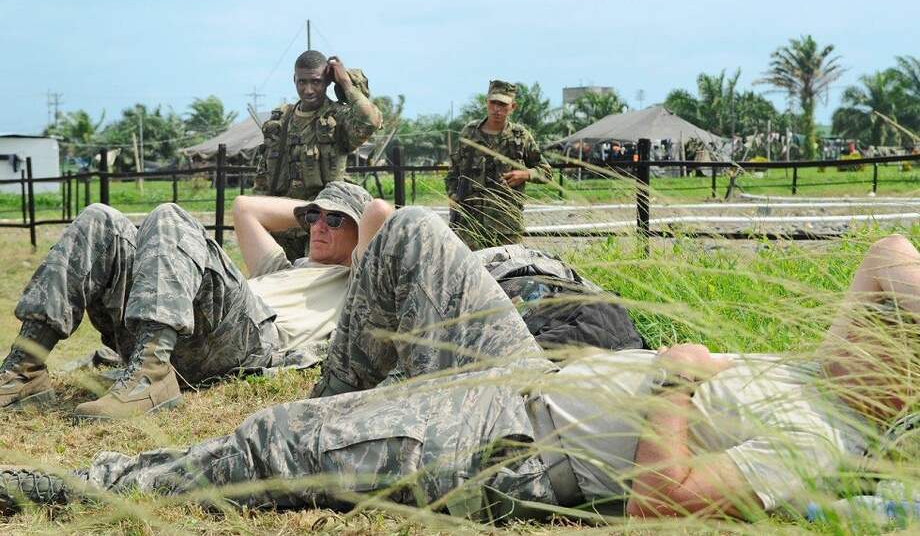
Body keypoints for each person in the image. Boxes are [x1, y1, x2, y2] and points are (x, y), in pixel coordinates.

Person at [0, 226, 916, 523]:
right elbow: (890, 251)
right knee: (412, 232)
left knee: (272, 438)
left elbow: (662, 499)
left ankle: (74, 487)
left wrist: (674, 381)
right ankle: (340, 416)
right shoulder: (818, 365)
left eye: (880, 331)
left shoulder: (818, 437)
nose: (857, 323)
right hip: (526, 370)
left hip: (524, 438)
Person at [0, 181, 377, 421]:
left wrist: (350, 206)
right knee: (101, 218)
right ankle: (26, 368)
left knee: (169, 216)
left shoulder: (357, 279)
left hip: (252, 340)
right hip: (183, 330)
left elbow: (380, 215)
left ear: (361, 234)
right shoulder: (279, 266)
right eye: (313, 217)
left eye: (335, 221)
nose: (318, 226)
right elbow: (245, 206)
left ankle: (152, 376)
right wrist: (319, 206)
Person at [252, 50, 382, 260]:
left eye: (316, 82)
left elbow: (371, 120)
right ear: (294, 80)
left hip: (322, 224)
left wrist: (346, 84)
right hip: (283, 225)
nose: (308, 89)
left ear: (328, 81)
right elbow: (263, 173)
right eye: (302, 82)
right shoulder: (281, 119)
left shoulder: (337, 117)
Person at [446, 80, 552, 250]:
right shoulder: (469, 133)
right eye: (493, 102)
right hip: (469, 224)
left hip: (506, 227)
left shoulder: (520, 136)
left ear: (513, 107)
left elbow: (546, 172)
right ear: (486, 102)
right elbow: (453, 172)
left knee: (507, 272)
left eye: (503, 104)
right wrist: (452, 196)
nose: (497, 109)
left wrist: (525, 174)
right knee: (469, 272)